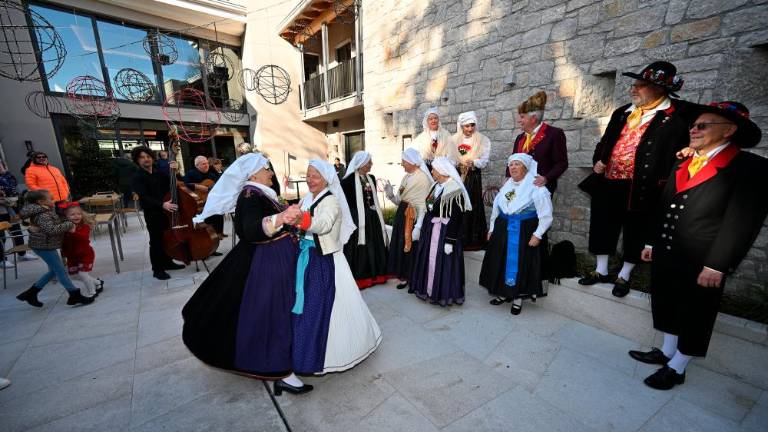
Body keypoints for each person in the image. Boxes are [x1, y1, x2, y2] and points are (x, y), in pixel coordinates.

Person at [629, 101, 768, 390]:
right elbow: (665, 203)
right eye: (693, 125)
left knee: (696, 311)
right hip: (668, 249)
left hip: (703, 258)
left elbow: (742, 221)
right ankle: (667, 352)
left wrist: (717, 264)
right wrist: (652, 241)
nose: (693, 129)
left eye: (702, 125)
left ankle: (678, 367)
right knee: (666, 300)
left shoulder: (749, 167)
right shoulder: (684, 160)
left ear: (729, 130)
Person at [183, 153, 306, 387]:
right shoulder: (250, 194)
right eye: (267, 169)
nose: (271, 173)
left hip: (273, 258)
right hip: (267, 263)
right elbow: (249, 230)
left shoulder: (259, 193)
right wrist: (281, 217)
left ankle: (285, 358)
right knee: (272, 313)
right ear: (253, 174)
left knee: (278, 311)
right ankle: (277, 369)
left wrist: (287, 216)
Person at [578, 61, 693, 297]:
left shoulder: (678, 115)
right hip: (609, 180)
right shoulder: (623, 112)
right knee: (602, 224)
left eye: (640, 85)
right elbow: (605, 141)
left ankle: (624, 275)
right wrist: (598, 160)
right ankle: (601, 270)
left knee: (636, 229)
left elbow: (688, 144)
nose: (633, 89)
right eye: (635, 84)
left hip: (642, 186)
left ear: (659, 89)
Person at [289, 159, 382, 385]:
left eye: (315, 176)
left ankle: (323, 355)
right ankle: (300, 352)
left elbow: (323, 224)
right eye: (308, 175)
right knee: (308, 305)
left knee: (327, 308)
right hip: (309, 257)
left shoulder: (330, 201)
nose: (310, 179)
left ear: (327, 179)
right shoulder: (308, 198)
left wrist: (301, 219)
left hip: (326, 262)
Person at [480, 154, 553, 315]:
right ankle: (502, 293)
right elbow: (496, 210)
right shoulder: (507, 186)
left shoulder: (537, 187)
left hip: (524, 232)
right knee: (500, 261)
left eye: (517, 164)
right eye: (511, 164)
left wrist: (538, 234)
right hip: (502, 230)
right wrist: (492, 229)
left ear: (526, 168)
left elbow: (546, 214)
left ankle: (517, 298)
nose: (512, 167)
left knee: (520, 264)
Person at [16, 190, 94, 307]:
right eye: (50, 199)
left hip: (44, 245)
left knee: (54, 271)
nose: (53, 201)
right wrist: (68, 224)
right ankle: (74, 295)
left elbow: (47, 224)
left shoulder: (43, 210)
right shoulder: (42, 214)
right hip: (44, 246)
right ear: (41, 201)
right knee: (60, 271)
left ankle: (31, 293)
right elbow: (51, 230)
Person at [409, 157, 470, 306]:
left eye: (434, 169)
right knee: (429, 260)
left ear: (442, 171)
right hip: (431, 230)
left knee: (445, 263)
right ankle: (429, 289)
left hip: (445, 232)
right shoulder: (436, 185)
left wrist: (450, 240)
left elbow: (457, 218)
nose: (432, 171)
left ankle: (443, 293)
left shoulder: (455, 190)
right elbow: (429, 206)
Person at [131, 146, 187, 280]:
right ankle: (157, 269)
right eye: (142, 157)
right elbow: (144, 197)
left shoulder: (158, 172)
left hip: (166, 212)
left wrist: (175, 170)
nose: (146, 159)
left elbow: (173, 182)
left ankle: (168, 263)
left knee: (167, 238)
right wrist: (162, 204)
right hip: (153, 213)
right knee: (156, 241)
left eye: (148, 157)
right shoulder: (137, 177)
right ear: (137, 160)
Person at [384, 148, 433, 290]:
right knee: (401, 246)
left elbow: (423, 205)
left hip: (413, 217)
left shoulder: (422, 179)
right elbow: (400, 200)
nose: (402, 164)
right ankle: (404, 276)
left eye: (404, 162)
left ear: (412, 162)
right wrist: (391, 195)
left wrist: (418, 226)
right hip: (402, 214)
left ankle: (413, 277)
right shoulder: (406, 178)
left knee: (412, 247)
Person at [341, 151, 390, 289]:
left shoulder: (371, 178)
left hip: (373, 219)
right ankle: (361, 277)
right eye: (369, 163)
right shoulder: (347, 181)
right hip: (358, 219)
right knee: (360, 245)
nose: (371, 165)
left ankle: (377, 275)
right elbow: (345, 204)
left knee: (374, 244)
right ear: (361, 164)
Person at [510, 91, 568, 194]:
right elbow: (512, 160)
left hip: (540, 189)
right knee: (507, 206)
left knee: (534, 211)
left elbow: (562, 163)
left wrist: (546, 178)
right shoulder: (519, 138)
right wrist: (507, 178)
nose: (519, 120)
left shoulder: (554, 134)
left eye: (522, 117)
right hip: (518, 188)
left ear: (533, 119)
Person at [453, 111, 490, 251]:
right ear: (461, 126)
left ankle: (471, 240)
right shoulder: (454, 140)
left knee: (472, 204)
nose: (469, 129)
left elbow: (484, 161)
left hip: (473, 177)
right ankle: (455, 236)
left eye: (472, 125)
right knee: (457, 204)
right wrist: (457, 163)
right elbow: (449, 157)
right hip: (457, 176)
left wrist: (474, 162)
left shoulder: (483, 140)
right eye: (466, 126)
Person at [60, 202, 103, 298]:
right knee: (73, 276)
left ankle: (92, 293)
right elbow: (64, 242)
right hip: (72, 257)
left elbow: (83, 238)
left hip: (85, 255)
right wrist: (63, 252)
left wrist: (73, 232)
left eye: (79, 214)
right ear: (66, 216)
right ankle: (97, 282)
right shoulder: (65, 228)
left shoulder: (84, 227)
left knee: (83, 274)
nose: (76, 216)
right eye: (72, 214)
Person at [184, 155, 225, 246]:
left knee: (218, 216)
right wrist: (197, 186)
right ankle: (205, 245)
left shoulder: (211, 174)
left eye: (207, 163)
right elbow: (184, 185)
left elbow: (220, 185)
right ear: (197, 165)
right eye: (203, 164)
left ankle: (215, 241)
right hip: (198, 205)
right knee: (205, 225)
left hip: (210, 204)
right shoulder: (191, 173)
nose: (206, 165)